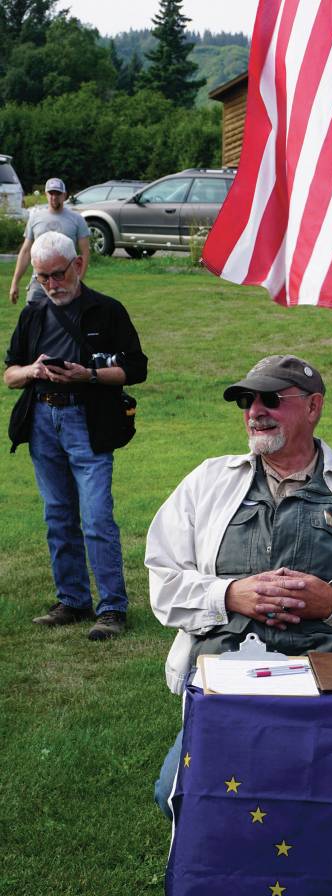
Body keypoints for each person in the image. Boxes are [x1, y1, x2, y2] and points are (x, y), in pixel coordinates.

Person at [146, 354, 332, 816]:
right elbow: (164, 583)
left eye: (271, 399)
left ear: (313, 407)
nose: (255, 410)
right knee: (177, 793)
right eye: (246, 399)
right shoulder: (209, 482)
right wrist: (229, 594)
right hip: (230, 673)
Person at [4, 231, 148, 639]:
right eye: (42, 277)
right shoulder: (33, 313)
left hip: (88, 420)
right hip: (42, 420)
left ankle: (112, 609)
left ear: (79, 266)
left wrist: (89, 375)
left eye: (57, 275)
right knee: (57, 515)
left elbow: (136, 368)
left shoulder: (107, 311)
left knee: (97, 517)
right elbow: (10, 373)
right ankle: (72, 600)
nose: (50, 285)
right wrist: (33, 371)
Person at [9, 177, 90, 305]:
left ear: (64, 195)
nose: (54, 197)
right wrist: (15, 283)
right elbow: (25, 252)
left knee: (66, 320)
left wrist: (78, 281)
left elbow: (85, 253)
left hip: (65, 280)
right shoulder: (35, 218)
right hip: (40, 280)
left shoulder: (77, 219)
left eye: (58, 193)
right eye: (51, 193)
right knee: (32, 317)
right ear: (46, 194)